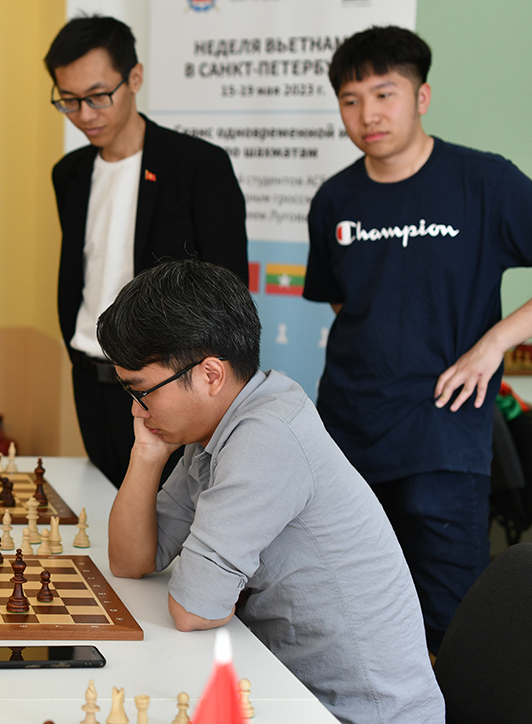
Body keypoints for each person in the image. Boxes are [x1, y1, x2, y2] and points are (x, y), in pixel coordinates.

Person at [100, 260, 443, 724]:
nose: (138, 410)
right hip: (288, 684)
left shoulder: (266, 436)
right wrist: (146, 453)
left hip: (357, 713)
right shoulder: (219, 424)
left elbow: (194, 608)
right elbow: (131, 559)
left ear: (210, 375)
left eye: (141, 391)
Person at [303, 25, 532, 654]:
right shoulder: (334, 200)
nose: (368, 114)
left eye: (385, 94)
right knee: (347, 609)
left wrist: (493, 345)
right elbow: (349, 300)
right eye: (351, 100)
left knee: (451, 621)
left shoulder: (485, 183)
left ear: (421, 96)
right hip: (348, 430)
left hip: (443, 435)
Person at [44, 14, 249, 487]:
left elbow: (228, 292)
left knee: (171, 526)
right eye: (69, 101)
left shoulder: (198, 167)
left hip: (169, 386)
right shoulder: (69, 174)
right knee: (109, 509)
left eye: (98, 96)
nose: (85, 114)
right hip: (90, 373)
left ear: (134, 78)